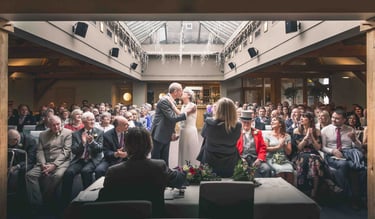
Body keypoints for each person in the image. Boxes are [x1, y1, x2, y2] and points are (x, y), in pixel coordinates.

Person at [97, 127, 186, 217]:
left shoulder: (113, 171)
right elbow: (179, 180)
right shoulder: (159, 166)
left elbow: (103, 200)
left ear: (126, 146)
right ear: (150, 145)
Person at [321, 108, 366, 209]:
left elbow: (358, 147)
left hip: (348, 154)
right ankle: (352, 197)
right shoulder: (325, 130)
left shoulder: (349, 129)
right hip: (332, 155)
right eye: (333, 117)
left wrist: (354, 140)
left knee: (361, 170)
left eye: (337, 118)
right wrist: (333, 151)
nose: (333, 120)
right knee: (345, 165)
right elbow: (323, 147)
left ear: (344, 120)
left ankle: (356, 197)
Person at [26, 115, 72, 207]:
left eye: (58, 124)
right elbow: (40, 150)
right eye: (53, 125)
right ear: (48, 126)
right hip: (45, 162)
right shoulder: (43, 134)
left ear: (61, 123)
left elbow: (66, 151)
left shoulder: (68, 133)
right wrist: (42, 164)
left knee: (57, 175)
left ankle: (45, 199)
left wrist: (54, 165)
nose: (56, 127)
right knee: (30, 175)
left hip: (61, 163)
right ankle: (37, 203)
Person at [61, 112, 104, 204]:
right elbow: (74, 151)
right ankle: (64, 201)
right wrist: (83, 143)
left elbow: (100, 149)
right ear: (84, 122)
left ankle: (88, 201)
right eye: (90, 120)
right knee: (69, 172)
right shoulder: (76, 134)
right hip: (80, 159)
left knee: (86, 171)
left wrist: (92, 142)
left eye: (93, 119)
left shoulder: (99, 132)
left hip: (92, 159)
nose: (93, 121)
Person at [151, 82, 196, 166]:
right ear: (175, 91)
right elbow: (173, 118)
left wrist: (173, 132)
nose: (182, 93)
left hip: (166, 133)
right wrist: (188, 113)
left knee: (164, 158)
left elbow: (171, 120)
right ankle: (155, 178)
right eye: (181, 91)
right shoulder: (164, 100)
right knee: (156, 158)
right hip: (159, 133)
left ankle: (165, 176)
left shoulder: (173, 102)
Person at [199, 97, 242, 178]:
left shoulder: (209, 122)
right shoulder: (238, 125)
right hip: (230, 162)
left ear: (218, 110)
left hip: (210, 162)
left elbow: (203, 135)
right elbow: (237, 138)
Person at [292, 112, 325, 198]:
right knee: (306, 158)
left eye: (304, 117)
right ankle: (303, 189)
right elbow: (299, 147)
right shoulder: (297, 131)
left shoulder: (317, 131)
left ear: (310, 119)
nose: (301, 119)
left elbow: (318, 148)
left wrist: (312, 137)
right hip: (301, 153)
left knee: (315, 160)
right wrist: (306, 137)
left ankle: (314, 191)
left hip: (314, 153)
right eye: (301, 117)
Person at [236, 110, 273, 177]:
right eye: (244, 122)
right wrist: (240, 158)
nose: (246, 124)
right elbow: (234, 148)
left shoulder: (257, 132)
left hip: (255, 158)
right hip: (242, 159)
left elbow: (262, 147)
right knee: (240, 170)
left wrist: (259, 159)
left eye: (248, 122)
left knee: (266, 169)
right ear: (241, 122)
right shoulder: (237, 133)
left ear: (251, 122)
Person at [8, 129, 37, 205]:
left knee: (23, 170)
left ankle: (21, 197)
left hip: (29, 162)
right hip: (14, 161)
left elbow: (31, 159)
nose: (7, 143)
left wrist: (16, 167)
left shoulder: (31, 140)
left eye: (9, 142)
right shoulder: (11, 138)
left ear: (16, 140)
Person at [264, 117, 294, 184]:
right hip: (271, 158)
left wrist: (284, 144)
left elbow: (289, 152)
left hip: (283, 158)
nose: (271, 122)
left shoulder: (287, 136)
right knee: (280, 171)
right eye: (271, 121)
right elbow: (266, 149)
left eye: (274, 120)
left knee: (290, 171)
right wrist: (278, 146)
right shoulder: (268, 135)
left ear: (280, 124)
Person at [177, 88, 200, 166]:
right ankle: (182, 167)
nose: (182, 94)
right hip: (183, 131)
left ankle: (191, 168)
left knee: (190, 150)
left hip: (190, 130)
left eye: (184, 93)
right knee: (183, 149)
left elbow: (182, 116)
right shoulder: (183, 105)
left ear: (189, 95)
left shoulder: (193, 105)